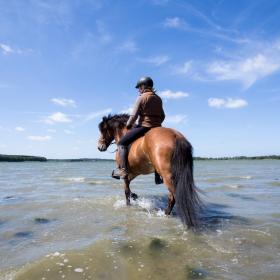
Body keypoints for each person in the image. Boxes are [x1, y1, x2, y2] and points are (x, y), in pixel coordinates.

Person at [112, 76, 165, 179]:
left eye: (139, 87)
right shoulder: (158, 98)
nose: (138, 90)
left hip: (144, 127)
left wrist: (128, 124)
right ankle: (158, 176)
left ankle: (123, 170)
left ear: (143, 86)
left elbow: (133, 116)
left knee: (122, 143)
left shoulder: (142, 97)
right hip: (157, 128)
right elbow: (163, 116)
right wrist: (156, 124)